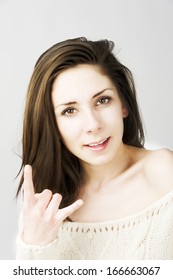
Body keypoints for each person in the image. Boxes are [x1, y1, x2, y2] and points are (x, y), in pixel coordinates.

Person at [16, 37, 173, 260]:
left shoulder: (164, 173)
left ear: (124, 105)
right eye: (69, 111)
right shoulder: (43, 203)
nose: (93, 125)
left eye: (103, 100)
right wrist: (35, 245)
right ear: (52, 124)